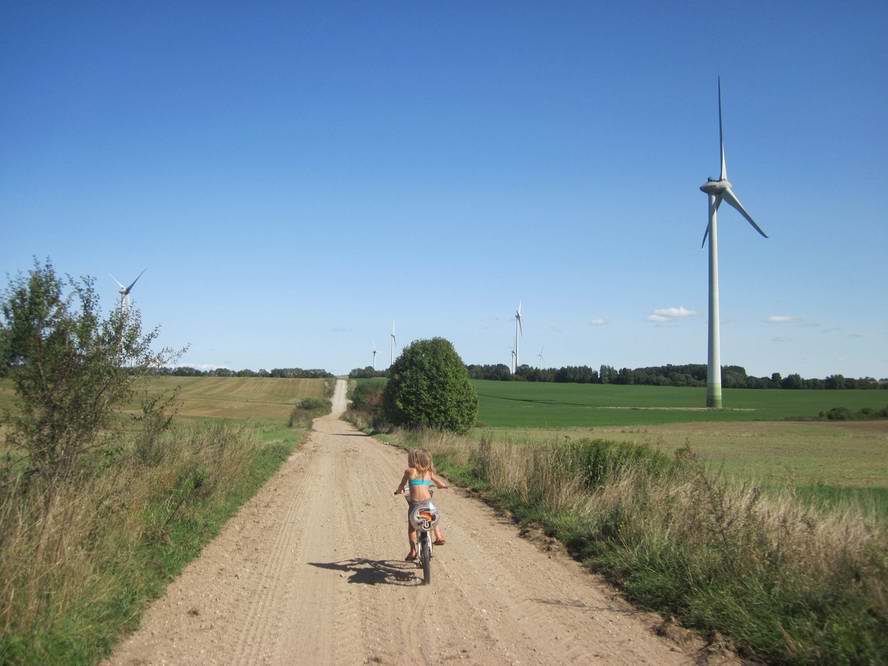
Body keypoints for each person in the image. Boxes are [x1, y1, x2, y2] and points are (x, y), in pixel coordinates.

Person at [393, 448, 448, 560]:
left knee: (412, 528)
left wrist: (399, 491)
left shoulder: (409, 472)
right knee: (432, 517)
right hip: (427, 503)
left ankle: (413, 551)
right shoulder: (429, 472)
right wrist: (442, 486)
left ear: (413, 460)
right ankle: (439, 536)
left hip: (415, 505)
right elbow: (440, 483)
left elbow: (401, 485)